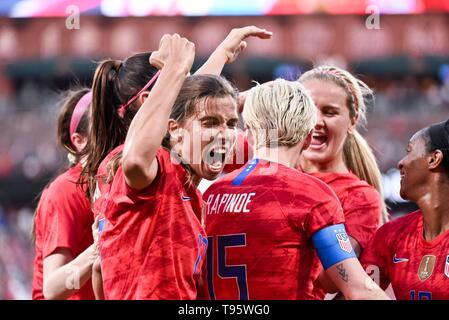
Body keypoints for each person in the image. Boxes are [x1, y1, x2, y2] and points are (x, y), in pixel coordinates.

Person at [87, 27, 272, 299]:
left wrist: (220, 54)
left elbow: (98, 271)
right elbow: (141, 156)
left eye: (232, 124)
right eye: (211, 123)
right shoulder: (150, 167)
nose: (226, 134)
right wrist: (175, 68)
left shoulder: (188, 190)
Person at [201, 79, 389, 300]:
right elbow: (358, 289)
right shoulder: (312, 194)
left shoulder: (212, 194)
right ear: (308, 138)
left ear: (249, 132)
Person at [361, 119, 449, 300]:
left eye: (409, 151)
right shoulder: (391, 235)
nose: (400, 163)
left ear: (434, 159)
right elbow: (358, 292)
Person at [32, 89, 97, 300]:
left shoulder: (113, 182)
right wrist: (100, 248)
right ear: (79, 140)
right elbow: (54, 287)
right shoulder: (65, 191)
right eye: (106, 127)